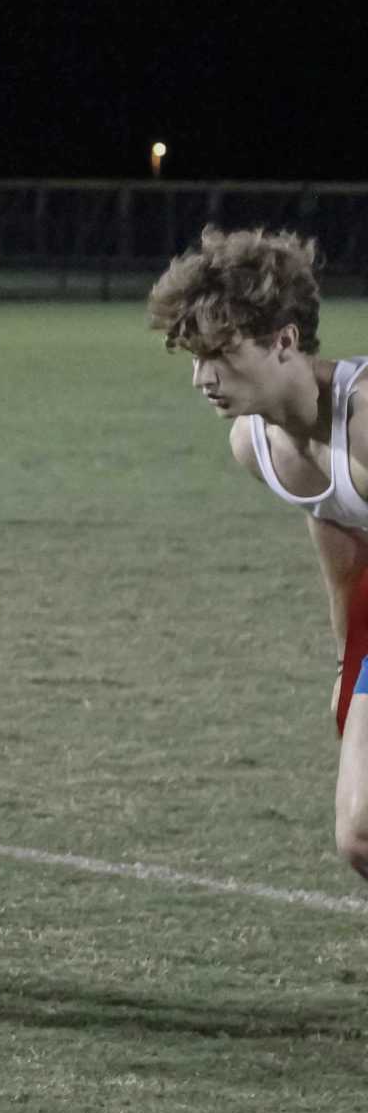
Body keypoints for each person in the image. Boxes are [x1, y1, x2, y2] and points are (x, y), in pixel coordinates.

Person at [149, 225, 368, 880]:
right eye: (193, 356)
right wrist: (347, 660)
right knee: (359, 832)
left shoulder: (362, 420)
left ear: (285, 342)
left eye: (219, 353)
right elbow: (340, 532)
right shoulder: (257, 447)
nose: (200, 378)